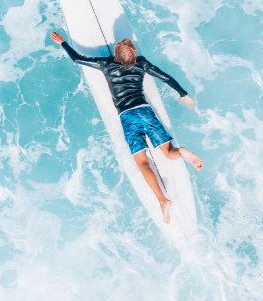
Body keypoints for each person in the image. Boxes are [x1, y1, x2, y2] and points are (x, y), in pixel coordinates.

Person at [49, 31, 203, 224]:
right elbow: (165, 77)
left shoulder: (106, 64)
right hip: (145, 111)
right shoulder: (142, 63)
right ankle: (181, 153)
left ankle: (163, 201)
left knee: (142, 162)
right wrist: (183, 94)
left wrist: (63, 42)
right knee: (168, 150)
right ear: (134, 56)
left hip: (127, 116)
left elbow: (78, 59)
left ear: (115, 55)